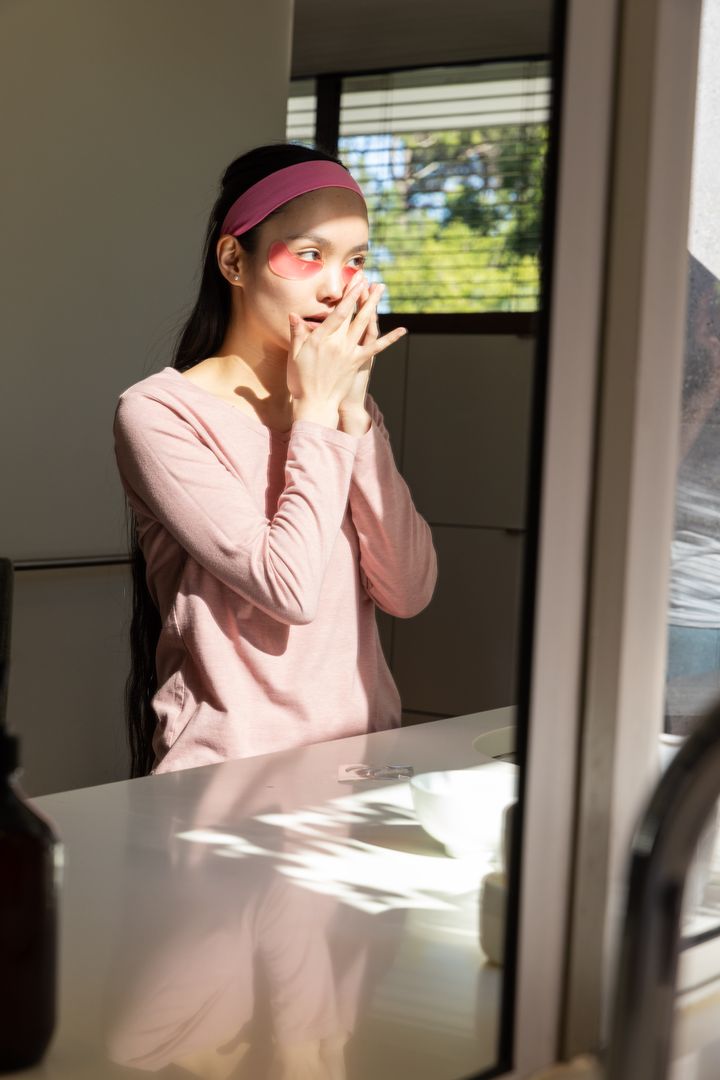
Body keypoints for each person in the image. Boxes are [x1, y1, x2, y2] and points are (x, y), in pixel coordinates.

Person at [113, 142, 438, 777]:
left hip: (362, 773)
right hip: (226, 783)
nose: (336, 286)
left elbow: (409, 591)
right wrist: (317, 415)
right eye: (311, 254)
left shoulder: (343, 418)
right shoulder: (159, 413)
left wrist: (353, 418)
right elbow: (286, 589)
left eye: (356, 262)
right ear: (235, 260)